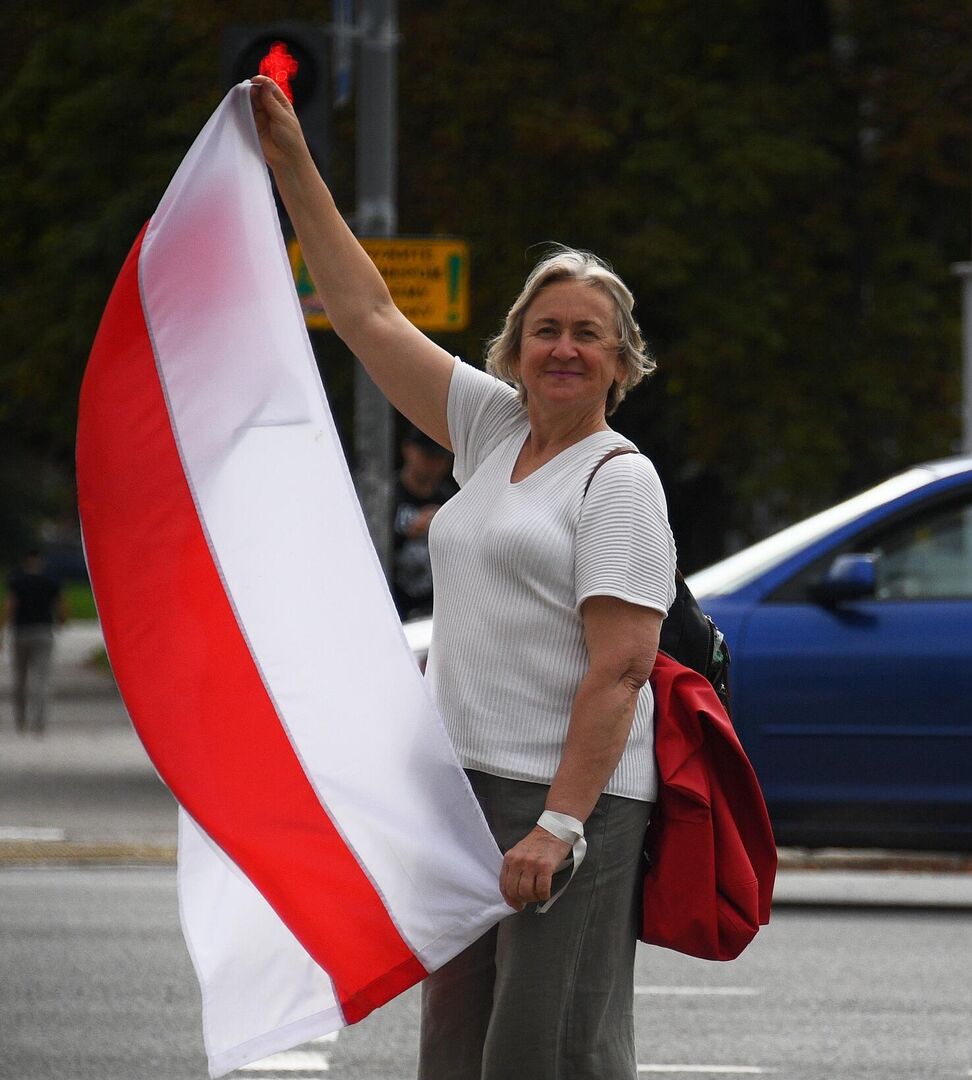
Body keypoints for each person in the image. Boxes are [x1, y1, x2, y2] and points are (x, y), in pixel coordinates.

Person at [250, 76, 676, 1079]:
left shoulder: (620, 481)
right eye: (546, 330)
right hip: (464, 790)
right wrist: (290, 164)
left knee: (545, 1051)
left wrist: (561, 826)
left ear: (621, 362)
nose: (563, 348)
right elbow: (365, 313)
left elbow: (621, 672)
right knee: (456, 1052)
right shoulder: (492, 430)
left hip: (567, 798)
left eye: (587, 334)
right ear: (516, 350)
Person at [392, 427, 458, 620]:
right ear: (409, 449)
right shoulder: (386, 498)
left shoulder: (452, 500)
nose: (434, 464)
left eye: (441, 457)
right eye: (428, 455)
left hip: (436, 611)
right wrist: (406, 532)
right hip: (396, 606)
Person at [6, 546, 65, 737]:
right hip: (43, 631)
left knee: (20, 678)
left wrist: (4, 628)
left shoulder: (17, 580)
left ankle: (21, 719)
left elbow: (10, 605)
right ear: (40, 560)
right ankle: (38, 721)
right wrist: (62, 620)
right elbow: (61, 603)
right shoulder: (50, 580)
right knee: (40, 678)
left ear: (25, 560)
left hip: (21, 631)